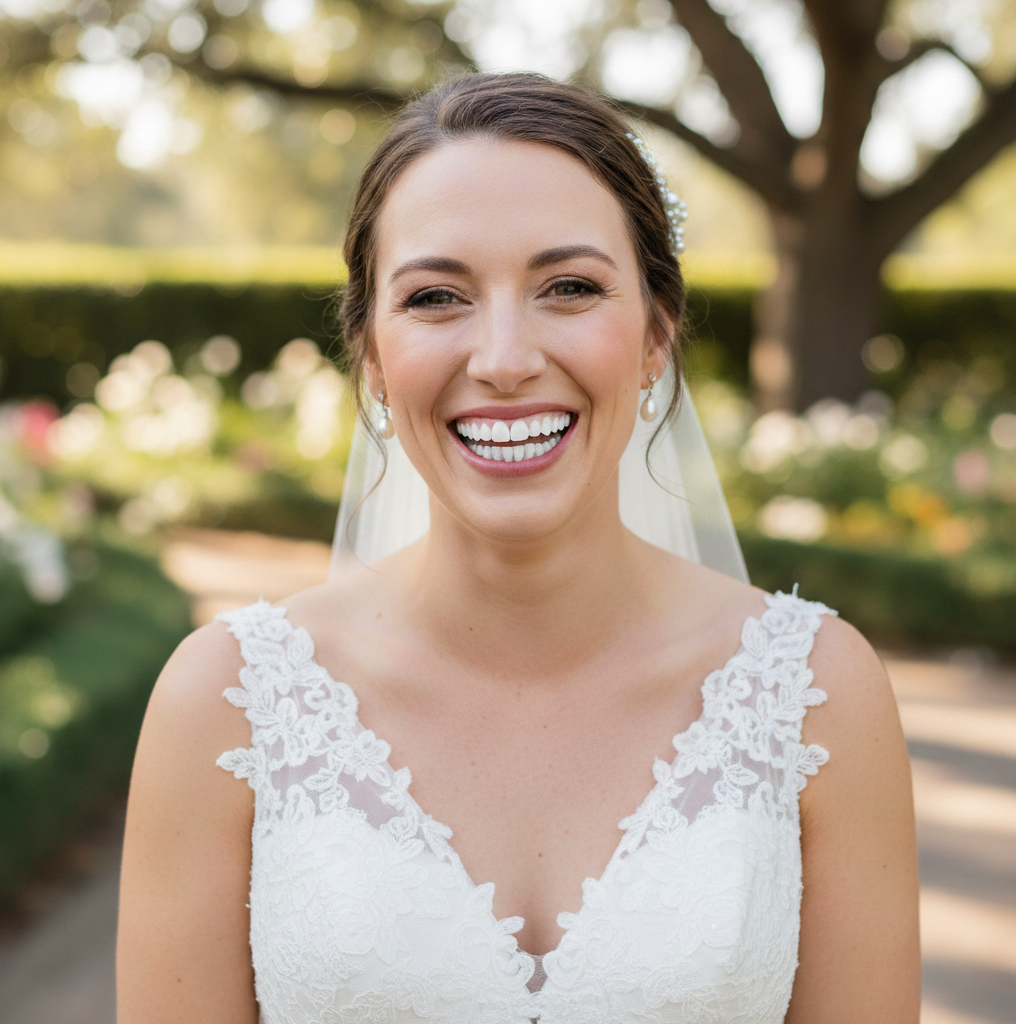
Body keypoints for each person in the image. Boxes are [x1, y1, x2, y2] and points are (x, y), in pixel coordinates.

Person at [116, 73, 920, 1023]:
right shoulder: (225, 705)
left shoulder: (818, 695)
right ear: (371, 352)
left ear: (657, 332)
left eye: (569, 288)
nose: (503, 360)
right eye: (436, 296)